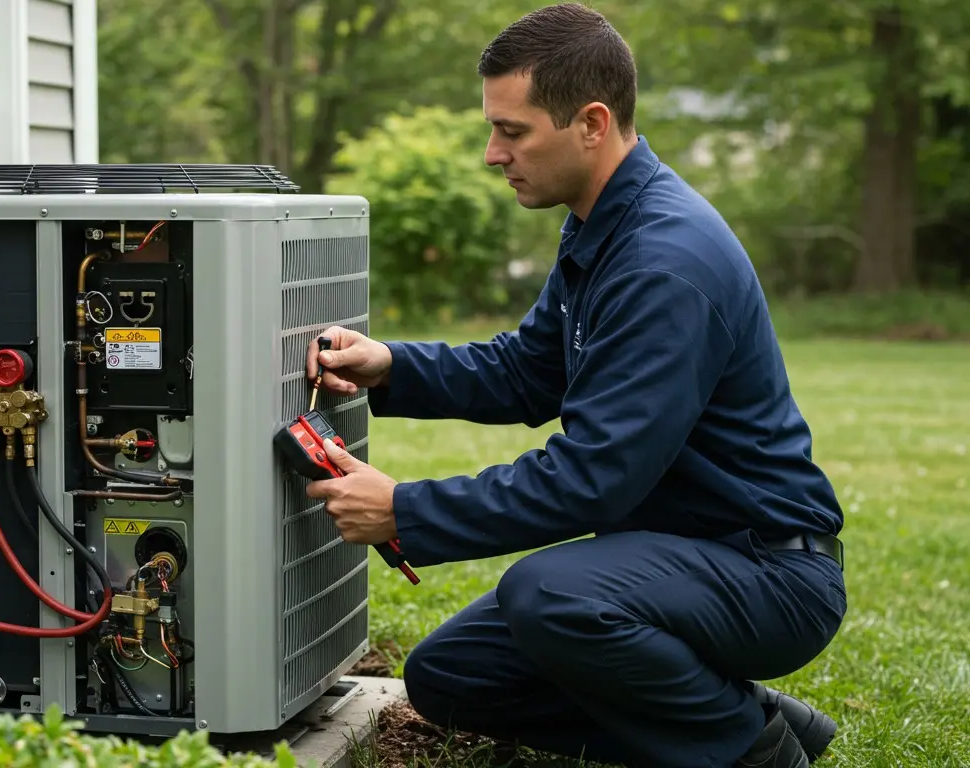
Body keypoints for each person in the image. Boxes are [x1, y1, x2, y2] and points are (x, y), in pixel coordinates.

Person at [302, 4, 847, 767]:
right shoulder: (602, 225)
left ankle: (751, 752)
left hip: (765, 570)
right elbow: (530, 372)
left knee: (552, 594)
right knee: (450, 677)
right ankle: (741, 711)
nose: (494, 154)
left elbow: (594, 479)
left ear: (592, 122)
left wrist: (406, 509)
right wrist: (392, 365)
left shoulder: (664, 262)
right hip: (674, 556)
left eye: (513, 131)